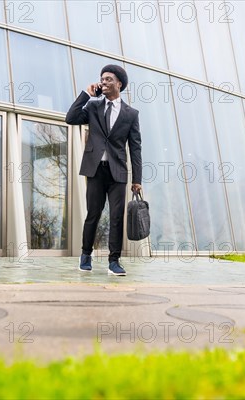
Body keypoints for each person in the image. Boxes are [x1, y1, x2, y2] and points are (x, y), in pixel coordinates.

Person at [65, 64, 142, 276]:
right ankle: (85, 256)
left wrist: (137, 179)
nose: (104, 82)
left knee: (116, 217)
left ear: (119, 83)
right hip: (96, 170)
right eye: (102, 79)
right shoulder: (93, 107)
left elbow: (135, 148)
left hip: (118, 172)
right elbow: (70, 118)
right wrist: (86, 95)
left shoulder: (131, 114)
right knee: (93, 214)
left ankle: (114, 261)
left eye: (109, 79)